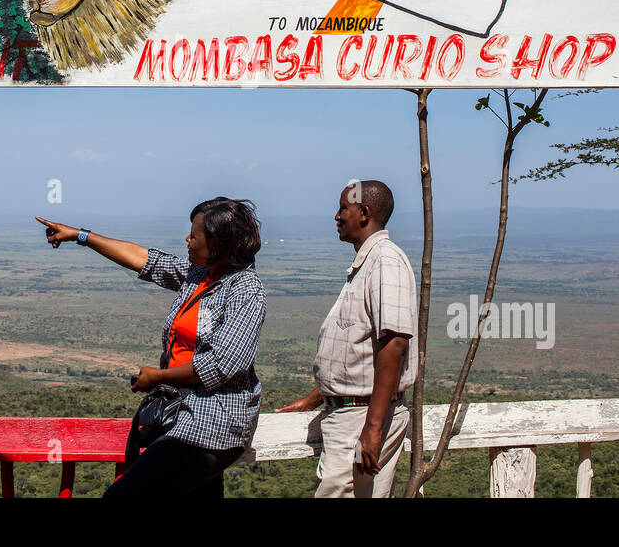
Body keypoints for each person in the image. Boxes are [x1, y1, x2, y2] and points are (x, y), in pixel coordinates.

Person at [35, 197, 266, 498]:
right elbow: (146, 260)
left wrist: (157, 377)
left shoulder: (246, 291)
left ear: (219, 245)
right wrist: (82, 236)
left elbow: (221, 364)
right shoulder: (198, 275)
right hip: (180, 414)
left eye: (194, 235)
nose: (187, 239)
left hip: (212, 423)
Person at [275, 179, 417, 497]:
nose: (337, 216)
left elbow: (394, 344)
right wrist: (316, 398)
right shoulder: (368, 263)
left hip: (360, 418)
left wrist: (372, 427)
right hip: (354, 413)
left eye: (343, 208)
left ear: (363, 213)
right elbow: (358, 351)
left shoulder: (384, 261)